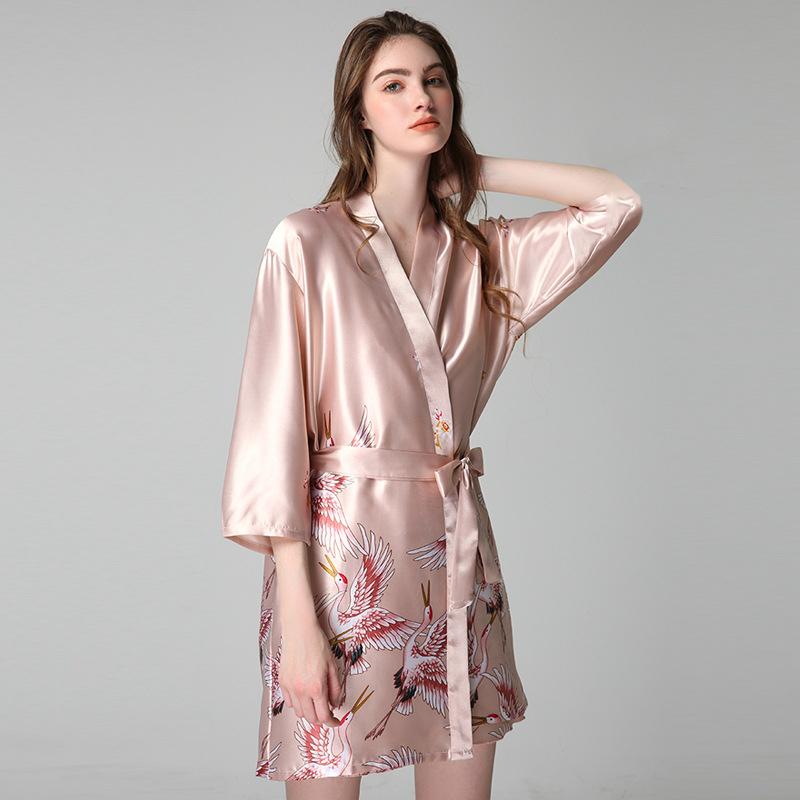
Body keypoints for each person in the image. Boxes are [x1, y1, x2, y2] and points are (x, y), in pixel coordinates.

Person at [220, 10, 643, 800]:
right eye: (394, 84)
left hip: (457, 562)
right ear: (358, 112)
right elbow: (271, 435)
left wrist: (471, 168)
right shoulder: (307, 243)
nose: (421, 97)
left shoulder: (485, 256)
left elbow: (615, 203)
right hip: (339, 577)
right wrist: (299, 623)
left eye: (435, 80)